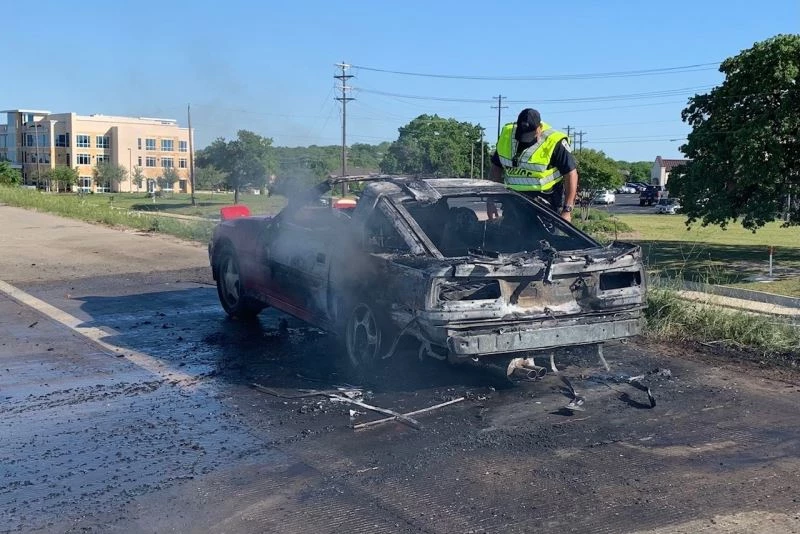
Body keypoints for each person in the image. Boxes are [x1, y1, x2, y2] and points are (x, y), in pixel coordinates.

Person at [489, 108, 578, 222]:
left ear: (539, 128)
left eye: (530, 135)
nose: (525, 140)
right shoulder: (507, 136)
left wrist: (567, 210)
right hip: (513, 203)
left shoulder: (554, 141)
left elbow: (571, 174)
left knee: (545, 239)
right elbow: (496, 167)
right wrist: (490, 200)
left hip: (545, 205)